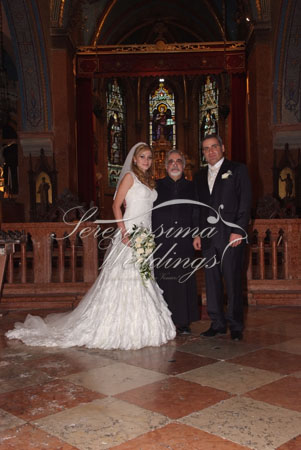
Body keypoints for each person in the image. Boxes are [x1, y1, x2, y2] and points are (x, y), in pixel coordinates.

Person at [6, 142, 176, 350]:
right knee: (128, 278)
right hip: (130, 234)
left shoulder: (149, 181)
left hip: (146, 233)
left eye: (149, 157)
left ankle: (147, 324)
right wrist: (124, 232)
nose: (146, 161)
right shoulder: (129, 177)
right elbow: (116, 205)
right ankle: (122, 326)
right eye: (143, 157)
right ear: (134, 159)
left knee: (144, 276)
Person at [193, 134, 251, 341]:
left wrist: (239, 230)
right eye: (206, 148)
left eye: (214, 146)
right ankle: (217, 323)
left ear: (222, 147)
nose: (210, 151)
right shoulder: (199, 176)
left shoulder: (237, 170)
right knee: (212, 281)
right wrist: (197, 233)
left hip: (230, 235)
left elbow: (244, 203)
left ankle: (235, 325)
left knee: (233, 280)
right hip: (208, 237)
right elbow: (198, 208)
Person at [152, 150, 200, 335]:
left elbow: (196, 211)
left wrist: (197, 234)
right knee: (163, 279)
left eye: (178, 161)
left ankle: (183, 321)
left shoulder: (192, 186)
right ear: (165, 166)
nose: (174, 164)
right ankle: (164, 320)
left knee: (182, 278)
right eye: (170, 161)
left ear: (183, 165)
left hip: (184, 239)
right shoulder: (155, 186)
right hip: (161, 239)